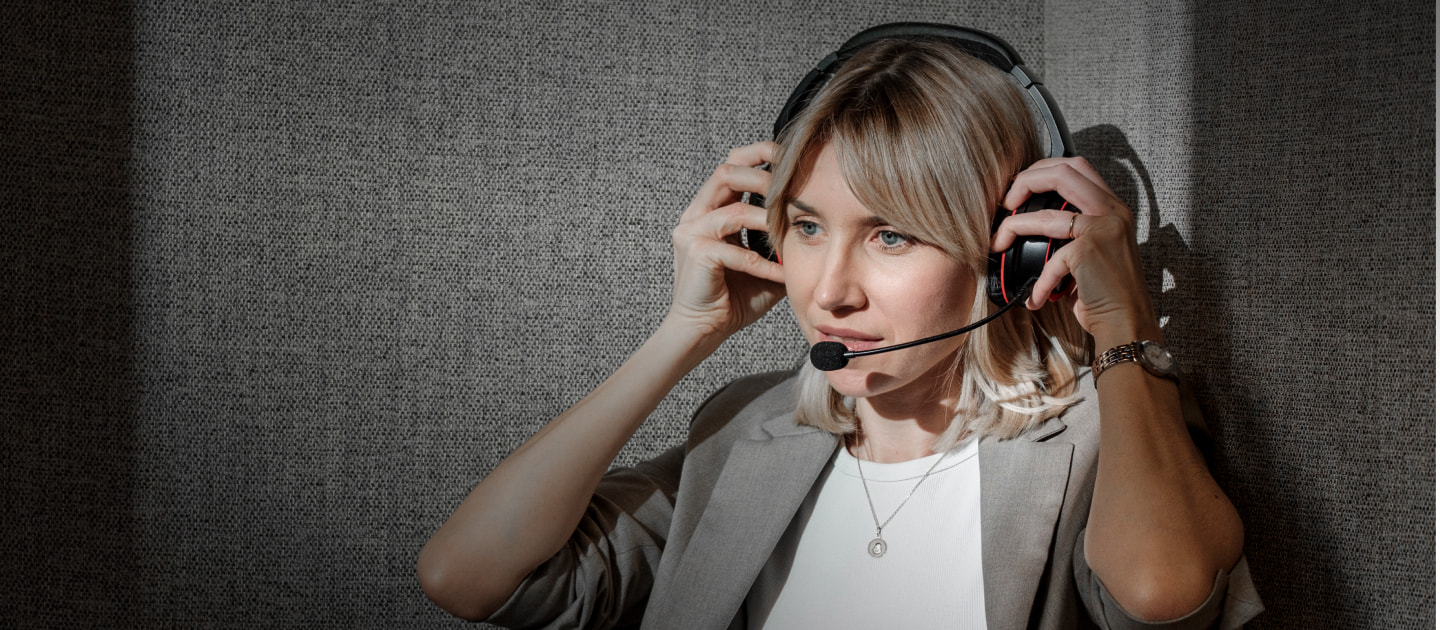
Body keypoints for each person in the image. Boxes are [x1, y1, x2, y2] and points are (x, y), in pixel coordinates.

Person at [417, 31, 1263, 629]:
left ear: (1013, 249)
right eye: (808, 227)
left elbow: (1164, 597)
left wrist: (1121, 321)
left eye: (891, 234)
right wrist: (686, 329)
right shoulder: (742, 430)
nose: (829, 289)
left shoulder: (1099, 438)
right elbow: (467, 578)